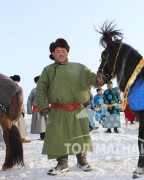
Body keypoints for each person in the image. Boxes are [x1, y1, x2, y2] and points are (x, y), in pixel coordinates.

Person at [36, 38, 97, 175]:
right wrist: (43, 105)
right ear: (53, 54)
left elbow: (91, 77)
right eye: (58, 51)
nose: (61, 53)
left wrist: (99, 79)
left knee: (81, 135)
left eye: (63, 51)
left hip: (78, 108)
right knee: (59, 136)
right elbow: (41, 89)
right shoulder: (48, 70)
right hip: (58, 109)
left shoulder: (79, 67)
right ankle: (62, 163)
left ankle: (82, 160)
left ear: (68, 53)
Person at [10, 75, 31, 143]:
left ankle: (22, 138)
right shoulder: (11, 88)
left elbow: (21, 99)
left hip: (18, 108)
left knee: (21, 124)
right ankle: (17, 139)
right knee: (14, 124)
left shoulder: (19, 88)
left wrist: (22, 110)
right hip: (13, 108)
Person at [27, 76, 47, 140]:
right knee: (40, 125)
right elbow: (29, 100)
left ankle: (47, 136)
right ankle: (42, 136)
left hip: (46, 109)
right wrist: (29, 110)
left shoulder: (47, 89)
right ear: (36, 82)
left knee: (47, 123)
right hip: (37, 109)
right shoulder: (34, 90)